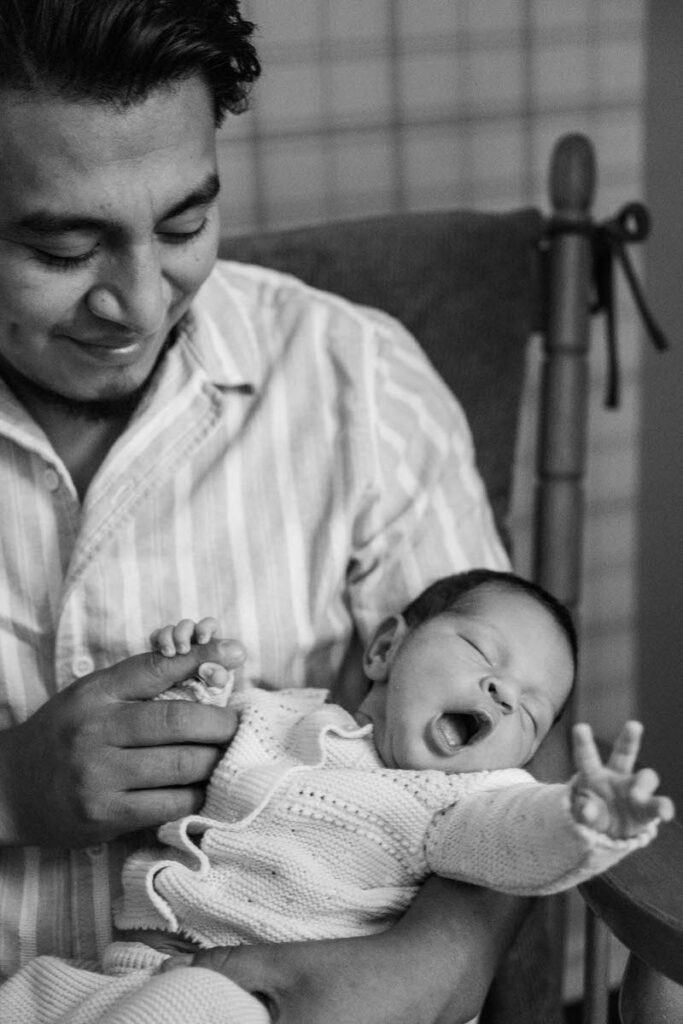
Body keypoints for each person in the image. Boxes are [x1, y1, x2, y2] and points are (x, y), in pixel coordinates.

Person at [0, 1, 578, 1022]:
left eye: (184, 224)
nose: (138, 302)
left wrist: (440, 957)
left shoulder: (357, 380)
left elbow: (487, 759)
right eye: (61, 249)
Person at [0, 569, 673, 1023]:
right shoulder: (281, 717)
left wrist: (581, 821)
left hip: (261, 1000)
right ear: (385, 649)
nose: (502, 691)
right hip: (133, 963)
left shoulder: (458, 805)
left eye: (529, 710)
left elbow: (517, 835)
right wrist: (195, 675)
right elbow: (178, 736)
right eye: (479, 652)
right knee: (29, 996)